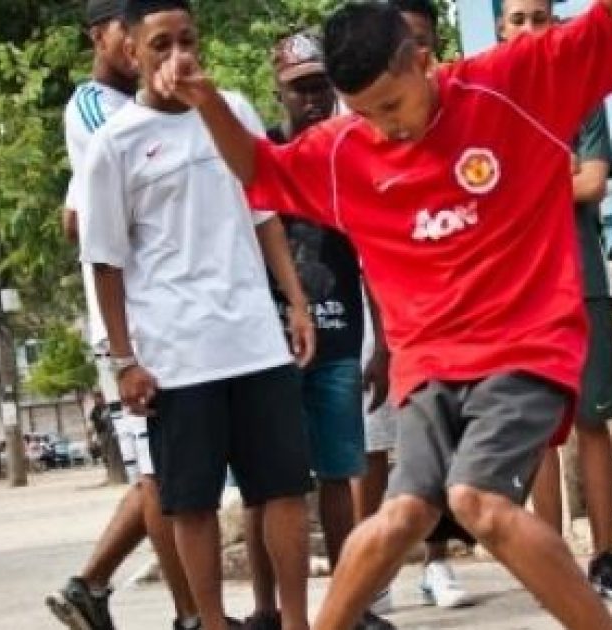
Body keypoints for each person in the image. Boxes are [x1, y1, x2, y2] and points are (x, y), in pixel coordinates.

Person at [152, 0, 612, 626]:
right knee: (400, 517)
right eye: (362, 113)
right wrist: (207, 103)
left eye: (392, 105)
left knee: (476, 498)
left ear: (423, 61)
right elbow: (258, 169)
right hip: (429, 365)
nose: (384, 128)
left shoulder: (513, 84)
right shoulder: (341, 152)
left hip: (526, 344)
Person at [79, 2, 318, 630]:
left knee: (286, 490)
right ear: (133, 52)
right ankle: (210, 622)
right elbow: (105, 261)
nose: (178, 54)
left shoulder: (231, 109)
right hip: (178, 355)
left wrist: (295, 302)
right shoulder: (113, 145)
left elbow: (264, 209)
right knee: (192, 503)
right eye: (161, 43)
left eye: (187, 39)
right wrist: (125, 360)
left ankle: (296, 621)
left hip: (255, 340)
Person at [45, 2, 201, 629]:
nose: (143, 47)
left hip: (180, 308)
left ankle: (90, 584)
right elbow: (80, 220)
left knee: (167, 467)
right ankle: (190, 613)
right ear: (101, 36)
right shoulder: (95, 108)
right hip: (132, 319)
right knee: (159, 470)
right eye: (128, 33)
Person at [242, 31, 393, 630]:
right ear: (278, 91)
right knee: (269, 488)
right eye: (300, 89)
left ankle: (345, 605)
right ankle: (264, 609)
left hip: (338, 340)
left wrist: (384, 342)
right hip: (269, 349)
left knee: (339, 477)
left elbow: (374, 254)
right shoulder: (259, 158)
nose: (312, 99)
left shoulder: (349, 152)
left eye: (320, 87)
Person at [498, 0, 612, 601]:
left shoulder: (580, 93)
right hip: (518, 288)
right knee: (538, 432)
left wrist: (525, 183)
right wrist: (551, 178)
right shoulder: (490, 105)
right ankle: (549, 561)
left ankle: (605, 557)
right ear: (503, 30)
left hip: (580, 276)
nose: (531, 29)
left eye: (541, 17)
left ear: (556, 26)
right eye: (519, 19)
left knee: (593, 420)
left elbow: (593, 180)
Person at [349, 0, 476, 614]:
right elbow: (373, 258)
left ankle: (439, 562)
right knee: (394, 482)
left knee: (471, 497)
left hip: (478, 337)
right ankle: (368, 586)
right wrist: (383, 343)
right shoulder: (359, 147)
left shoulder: (472, 116)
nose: (388, 121)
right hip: (404, 341)